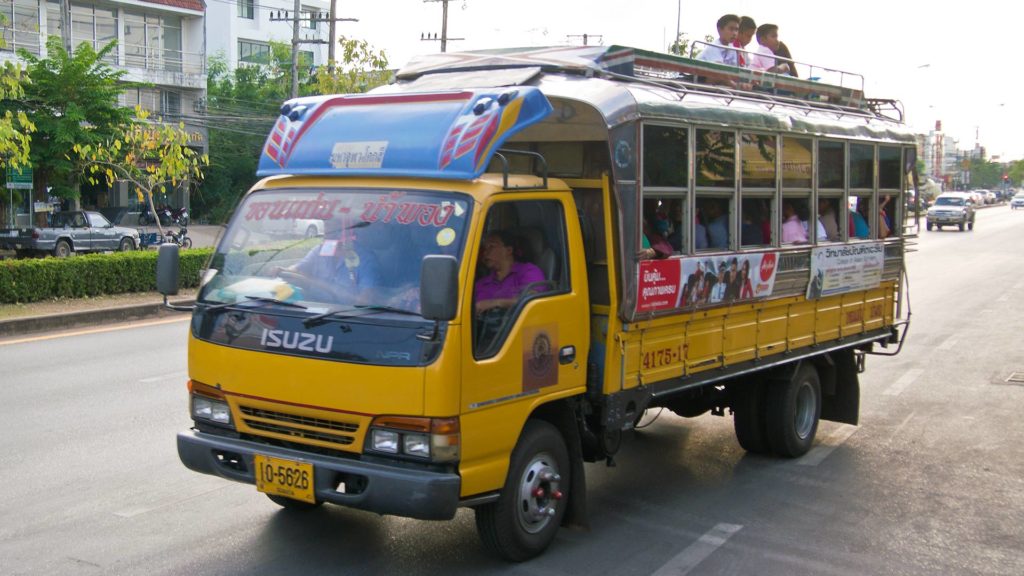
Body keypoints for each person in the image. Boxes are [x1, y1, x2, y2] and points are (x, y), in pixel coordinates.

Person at [281, 221, 381, 301]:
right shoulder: (320, 250)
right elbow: (299, 268)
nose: (326, 230)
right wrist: (282, 271)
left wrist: (320, 284)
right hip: (314, 310)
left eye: (331, 225)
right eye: (326, 225)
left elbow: (365, 300)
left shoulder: (365, 259)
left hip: (345, 318)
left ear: (346, 229)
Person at [474, 230, 545, 314]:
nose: (485, 252)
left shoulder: (528, 271)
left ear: (508, 250)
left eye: (491, 246)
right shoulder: (481, 283)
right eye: (485, 248)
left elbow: (533, 301)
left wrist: (494, 303)